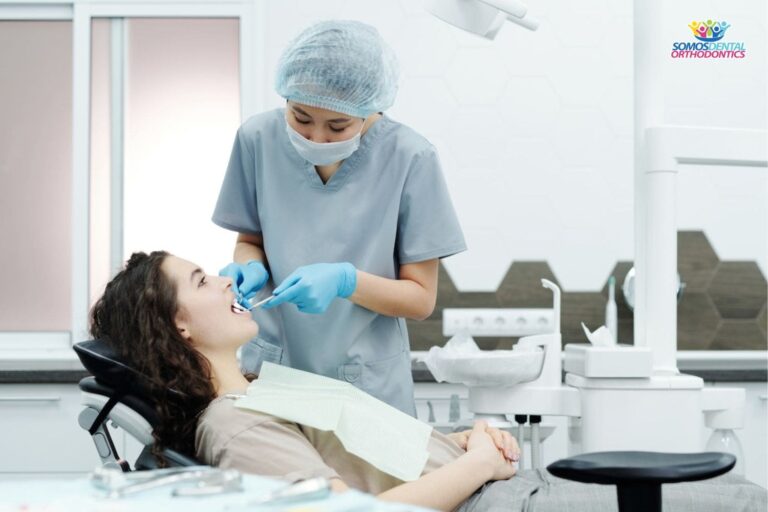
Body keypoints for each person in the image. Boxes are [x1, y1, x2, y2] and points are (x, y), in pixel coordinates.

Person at [89, 252, 767, 512]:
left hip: (495, 484)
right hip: (490, 504)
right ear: (177, 327)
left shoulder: (262, 387)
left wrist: (465, 434)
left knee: (736, 490)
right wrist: (474, 465)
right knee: (739, 501)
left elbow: (379, 448)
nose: (227, 278)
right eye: (204, 281)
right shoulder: (232, 425)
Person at [213, 20, 466, 416]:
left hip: (366, 388)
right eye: (299, 117)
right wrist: (251, 268)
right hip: (271, 375)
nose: (315, 138)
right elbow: (251, 241)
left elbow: (420, 299)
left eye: (337, 125)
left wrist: (346, 281)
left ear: (370, 108)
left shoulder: (410, 158)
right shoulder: (257, 139)